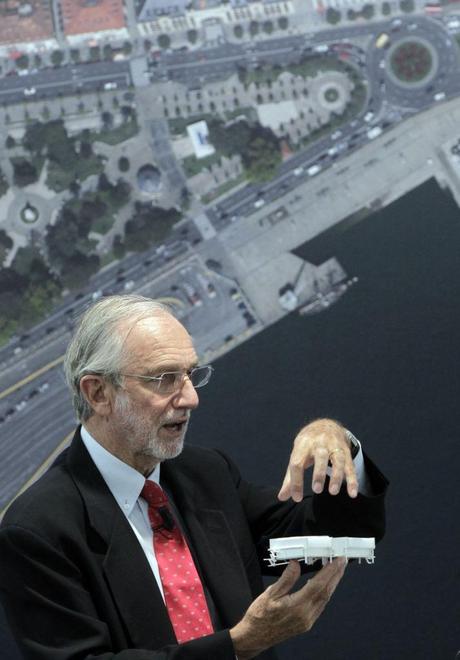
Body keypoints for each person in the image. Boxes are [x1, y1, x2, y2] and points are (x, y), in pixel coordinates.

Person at [0, 295, 388, 660]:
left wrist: (342, 447)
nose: (190, 398)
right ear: (99, 392)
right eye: (164, 378)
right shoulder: (38, 530)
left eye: (190, 374)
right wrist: (236, 647)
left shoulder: (206, 475)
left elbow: (338, 541)